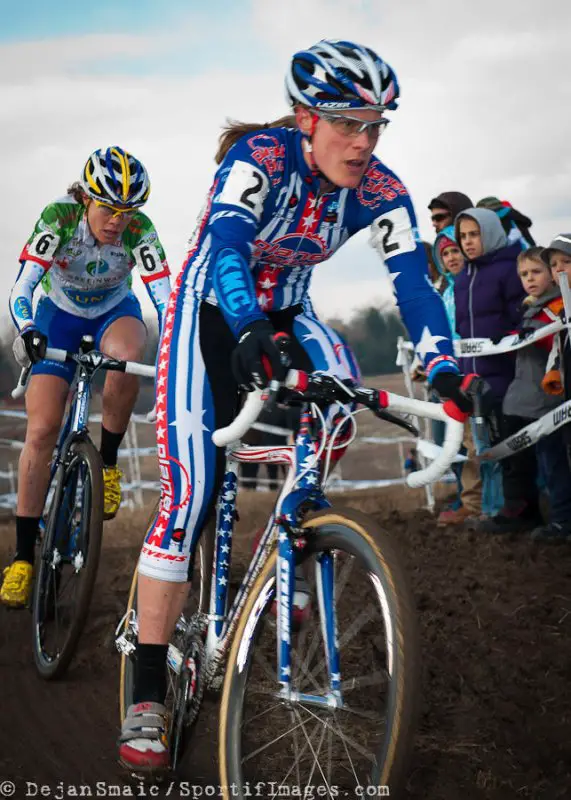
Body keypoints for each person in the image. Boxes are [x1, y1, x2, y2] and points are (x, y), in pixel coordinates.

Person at [118, 39, 477, 773]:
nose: (363, 141)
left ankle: (287, 546)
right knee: (188, 498)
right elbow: (225, 241)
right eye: (348, 123)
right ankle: (147, 693)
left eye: (376, 124)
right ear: (306, 118)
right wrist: (248, 326)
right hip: (212, 312)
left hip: (288, 309)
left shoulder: (379, 188)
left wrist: (443, 368)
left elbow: (411, 280)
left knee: (340, 392)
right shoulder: (261, 156)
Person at [0, 147, 171, 608]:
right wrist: (29, 329)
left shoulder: (139, 231)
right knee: (41, 429)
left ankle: (108, 464)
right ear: (86, 197)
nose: (117, 220)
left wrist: (177, 349)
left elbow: (165, 299)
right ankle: (21, 557)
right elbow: (22, 285)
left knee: (128, 354)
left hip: (115, 313)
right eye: (109, 208)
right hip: (59, 317)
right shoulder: (59, 217)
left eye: (127, 211)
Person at [480, 247, 571, 534]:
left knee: (553, 464)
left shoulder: (558, 307)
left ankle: (563, 519)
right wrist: (508, 340)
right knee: (532, 464)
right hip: (526, 399)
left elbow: (555, 344)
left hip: (549, 401)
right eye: (524, 274)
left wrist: (531, 337)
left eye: (536, 272)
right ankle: (533, 513)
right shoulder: (530, 307)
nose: (530, 279)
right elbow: (525, 342)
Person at [454, 207, 526, 523]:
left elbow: (520, 321)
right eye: (463, 236)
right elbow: (461, 330)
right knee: (479, 450)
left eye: (474, 234)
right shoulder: (461, 279)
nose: (468, 242)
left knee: (509, 449)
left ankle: (518, 509)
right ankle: (489, 509)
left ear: (491, 233)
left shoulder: (509, 270)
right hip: (471, 379)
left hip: (505, 378)